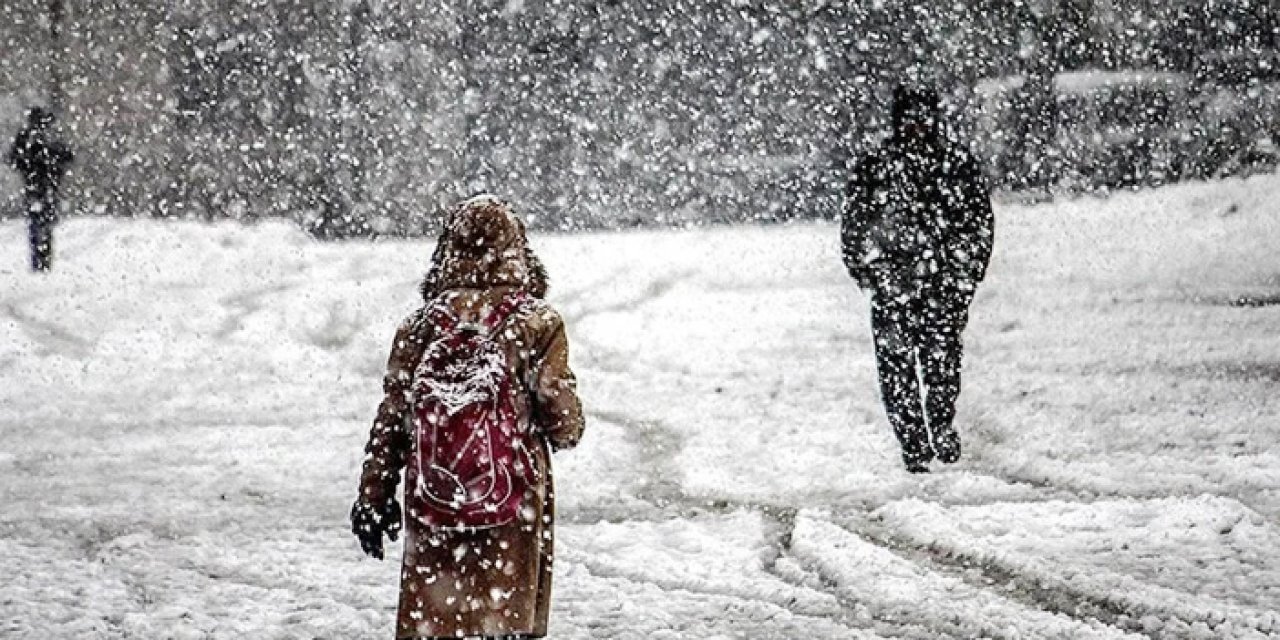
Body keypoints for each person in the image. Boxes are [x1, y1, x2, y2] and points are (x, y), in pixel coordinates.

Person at [352, 194, 584, 639]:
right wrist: (564, 426)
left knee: (438, 621)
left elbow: (392, 420)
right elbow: (561, 417)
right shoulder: (536, 323)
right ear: (520, 252)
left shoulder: (418, 328)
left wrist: (374, 494)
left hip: (435, 497)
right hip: (512, 502)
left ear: (446, 252)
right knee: (505, 622)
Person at [841, 85, 995, 473]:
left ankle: (940, 424)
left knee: (941, 363)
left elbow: (979, 225)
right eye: (908, 117)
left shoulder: (954, 165)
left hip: (940, 285)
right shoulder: (878, 167)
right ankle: (913, 442)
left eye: (921, 116)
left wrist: (965, 274)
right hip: (896, 286)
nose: (915, 125)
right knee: (898, 371)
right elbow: (854, 228)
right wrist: (872, 274)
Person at [8, 107, 74, 272]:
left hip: (38, 185)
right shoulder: (41, 138)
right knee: (41, 222)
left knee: (39, 222)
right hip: (43, 185)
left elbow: (14, 159)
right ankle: (42, 258)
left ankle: (41, 258)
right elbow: (67, 156)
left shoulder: (32, 138)